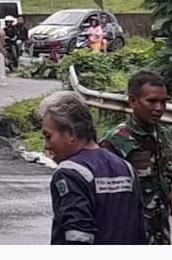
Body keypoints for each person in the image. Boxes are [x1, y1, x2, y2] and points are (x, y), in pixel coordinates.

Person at [100, 71, 172, 245]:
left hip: (160, 236)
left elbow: (167, 182)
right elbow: (102, 196)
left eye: (163, 101)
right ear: (132, 101)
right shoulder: (115, 141)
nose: (159, 108)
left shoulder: (162, 135)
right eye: (152, 101)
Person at [39, 92, 147, 245]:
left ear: (71, 133)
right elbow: (139, 231)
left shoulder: (70, 173)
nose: (46, 146)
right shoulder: (126, 168)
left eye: (48, 136)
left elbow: (78, 236)